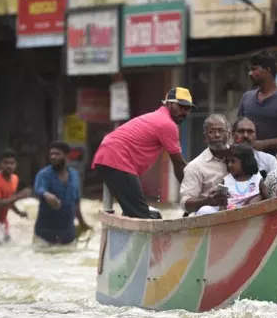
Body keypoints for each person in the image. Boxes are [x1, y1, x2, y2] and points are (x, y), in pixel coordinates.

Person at [92, 87, 193, 219]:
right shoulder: (167, 124)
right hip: (118, 161)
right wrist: (190, 193)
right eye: (181, 107)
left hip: (107, 157)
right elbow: (179, 164)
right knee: (141, 216)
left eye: (187, 108)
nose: (184, 112)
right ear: (168, 104)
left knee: (134, 212)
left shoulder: (157, 117)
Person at [237, 50, 277, 155]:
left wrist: (263, 144)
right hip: (249, 162)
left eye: (254, 69)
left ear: (267, 70)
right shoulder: (246, 98)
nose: (250, 73)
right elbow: (237, 129)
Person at [33, 141, 89, 246]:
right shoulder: (44, 174)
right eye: (51, 154)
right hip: (45, 232)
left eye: (57, 154)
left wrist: (82, 223)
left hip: (68, 232)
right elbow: (39, 189)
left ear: (66, 155)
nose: (53, 157)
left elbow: (76, 202)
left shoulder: (74, 175)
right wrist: (47, 195)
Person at [195, 144, 270, 215]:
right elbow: (222, 203)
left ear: (245, 161)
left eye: (233, 161)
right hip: (229, 213)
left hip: (250, 213)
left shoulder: (257, 179)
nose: (229, 165)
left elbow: (269, 199)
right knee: (204, 210)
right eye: (228, 162)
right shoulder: (227, 180)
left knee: (258, 197)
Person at [180, 113, 230, 215]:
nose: (217, 135)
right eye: (212, 131)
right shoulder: (195, 166)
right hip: (210, 216)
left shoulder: (241, 157)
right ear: (205, 137)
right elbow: (185, 203)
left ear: (228, 134)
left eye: (221, 130)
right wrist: (207, 201)